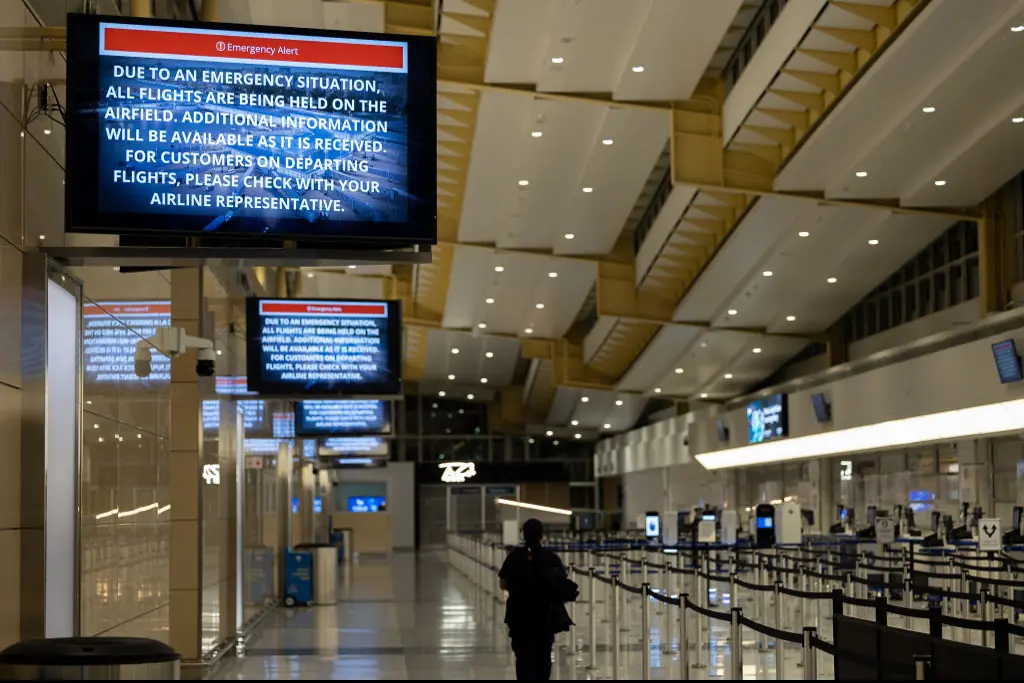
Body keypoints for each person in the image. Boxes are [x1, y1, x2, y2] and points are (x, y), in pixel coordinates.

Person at [498, 518, 573, 681]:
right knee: (543, 657)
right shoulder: (551, 557)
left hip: (519, 617)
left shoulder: (514, 557)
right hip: (544, 617)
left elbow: (503, 583)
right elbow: (562, 583)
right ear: (542, 535)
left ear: (523, 535)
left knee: (523, 659)